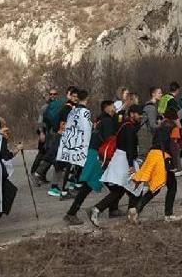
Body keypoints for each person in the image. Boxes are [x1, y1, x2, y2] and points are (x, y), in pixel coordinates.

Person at [65, 96, 115, 225]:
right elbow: (110, 141)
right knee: (90, 185)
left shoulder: (100, 120)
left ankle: (112, 208)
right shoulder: (107, 121)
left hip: (93, 153)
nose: (114, 109)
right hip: (98, 155)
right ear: (107, 108)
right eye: (113, 106)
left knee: (103, 184)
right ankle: (71, 213)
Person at [93, 104, 144, 224]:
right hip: (124, 161)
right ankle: (97, 210)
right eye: (138, 114)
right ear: (132, 114)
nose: (140, 116)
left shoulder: (125, 125)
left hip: (121, 159)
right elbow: (130, 147)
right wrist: (131, 165)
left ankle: (98, 210)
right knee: (134, 188)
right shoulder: (129, 128)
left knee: (129, 189)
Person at [132, 108, 182, 222]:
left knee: (156, 187)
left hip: (153, 155)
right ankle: (168, 215)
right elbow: (173, 146)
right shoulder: (173, 127)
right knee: (172, 186)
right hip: (163, 158)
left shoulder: (160, 128)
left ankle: (135, 210)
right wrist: (176, 165)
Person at [30, 88, 59, 183]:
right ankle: (34, 172)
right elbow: (40, 121)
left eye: (54, 94)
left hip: (53, 133)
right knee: (42, 153)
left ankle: (42, 175)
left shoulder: (58, 106)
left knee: (50, 154)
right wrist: (41, 133)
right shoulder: (45, 107)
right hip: (45, 132)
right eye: (51, 94)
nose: (53, 96)